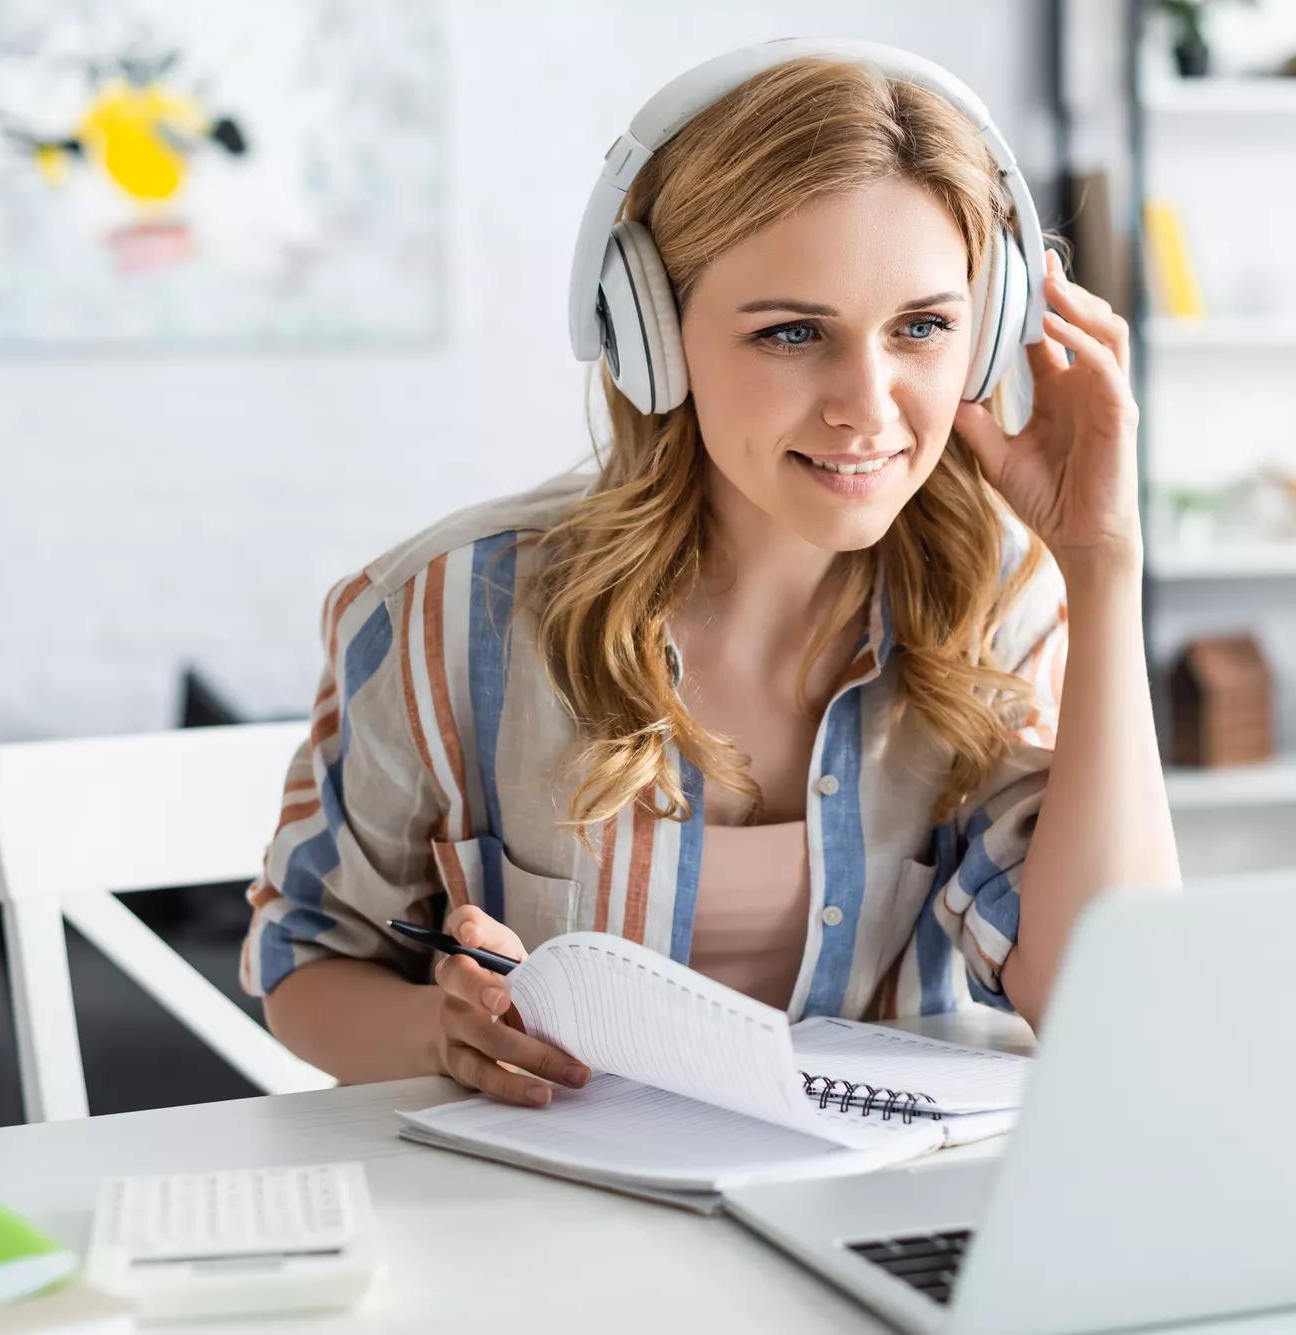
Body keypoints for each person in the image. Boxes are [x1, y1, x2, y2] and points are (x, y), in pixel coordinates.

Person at [239, 47, 1179, 1109]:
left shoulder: (1001, 599)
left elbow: (1108, 1007)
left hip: (865, 1224)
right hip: (549, 1232)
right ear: (648, 335)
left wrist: (1102, 566)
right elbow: (302, 967)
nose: (866, 407)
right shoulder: (450, 612)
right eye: (790, 333)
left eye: (921, 327)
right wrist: (440, 1033)